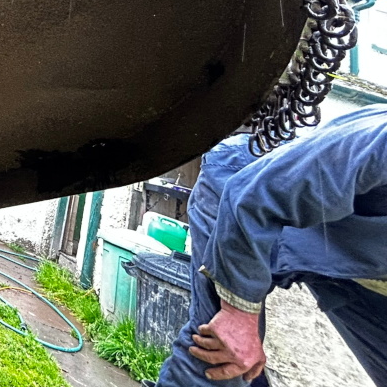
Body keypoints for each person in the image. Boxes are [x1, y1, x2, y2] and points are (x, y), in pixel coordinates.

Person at [147, 104, 387, 387]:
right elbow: (255, 194)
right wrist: (238, 311)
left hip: (351, 254)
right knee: (225, 357)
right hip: (251, 189)